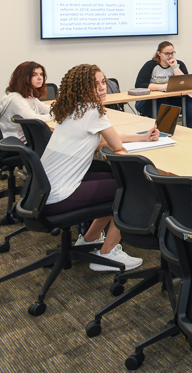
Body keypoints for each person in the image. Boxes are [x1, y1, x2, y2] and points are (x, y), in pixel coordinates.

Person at [43, 64, 158, 271]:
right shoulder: (92, 111)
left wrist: (142, 137)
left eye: (103, 82)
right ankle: (108, 254)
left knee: (114, 183)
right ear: (81, 89)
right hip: (60, 195)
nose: (102, 88)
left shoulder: (74, 109)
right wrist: (141, 140)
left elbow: (100, 141)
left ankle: (89, 239)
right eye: (94, 85)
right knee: (133, 188)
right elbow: (116, 145)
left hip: (45, 191)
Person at [134, 41, 192, 130]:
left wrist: (174, 67)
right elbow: (140, 85)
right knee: (166, 109)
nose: (170, 56)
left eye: (172, 53)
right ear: (159, 53)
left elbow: (185, 82)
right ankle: (165, 136)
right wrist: (163, 87)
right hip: (150, 100)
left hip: (174, 98)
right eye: (167, 54)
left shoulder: (178, 64)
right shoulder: (150, 65)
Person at [0, 61, 52, 141]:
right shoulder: (16, 98)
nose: (40, 78)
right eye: (34, 75)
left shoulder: (27, 94)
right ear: (23, 77)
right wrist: (55, 116)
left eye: (41, 74)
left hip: (25, 137)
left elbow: (43, 108)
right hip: (18, 141)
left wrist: (60, 110)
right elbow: (34, 119)